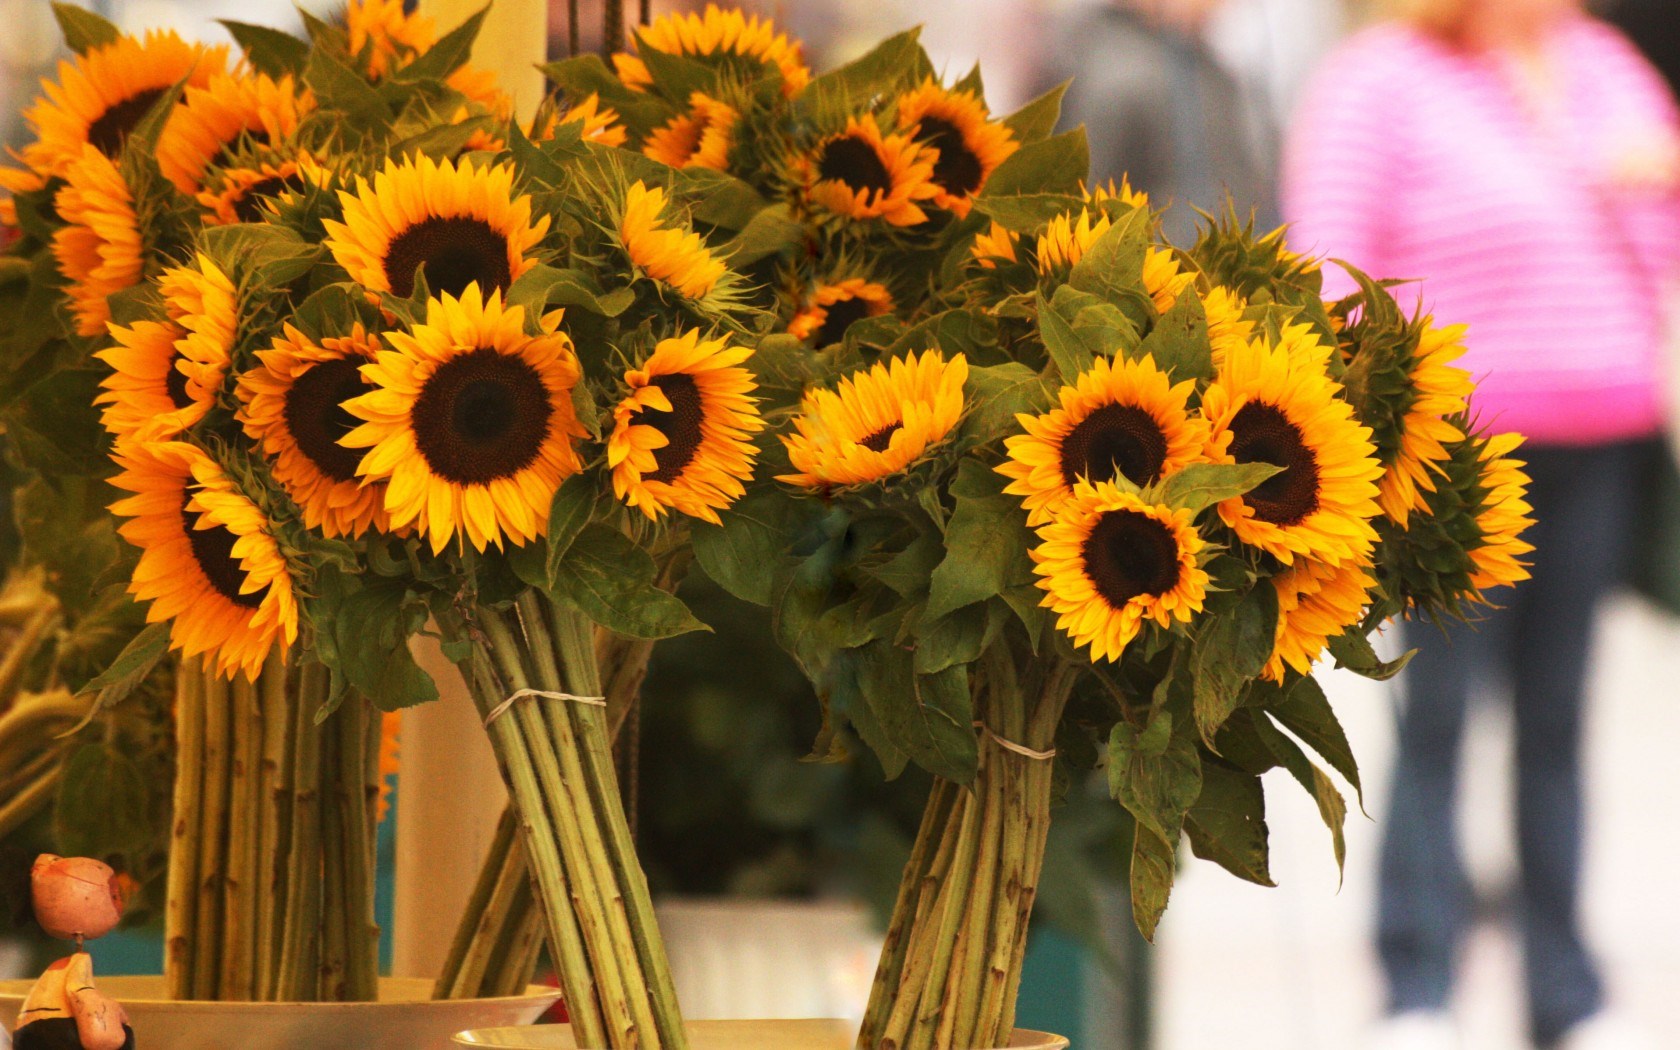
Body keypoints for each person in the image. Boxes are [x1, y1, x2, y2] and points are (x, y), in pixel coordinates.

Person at [1282, 2, 1680, 1049]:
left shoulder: (1599, 63)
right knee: (1440, 715)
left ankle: (1567, 989)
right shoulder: (1382, 77)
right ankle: (1417, 983)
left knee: (1556, 721)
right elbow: (1330, 254)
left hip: (1597, 433)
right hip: (1456, 454)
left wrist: (1650, 180)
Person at [1046, 0, 1277, 245]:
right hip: (1162, 271)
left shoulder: (1200, 61)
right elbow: (1084, 214)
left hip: (1207, 266)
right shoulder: (1121, 75)